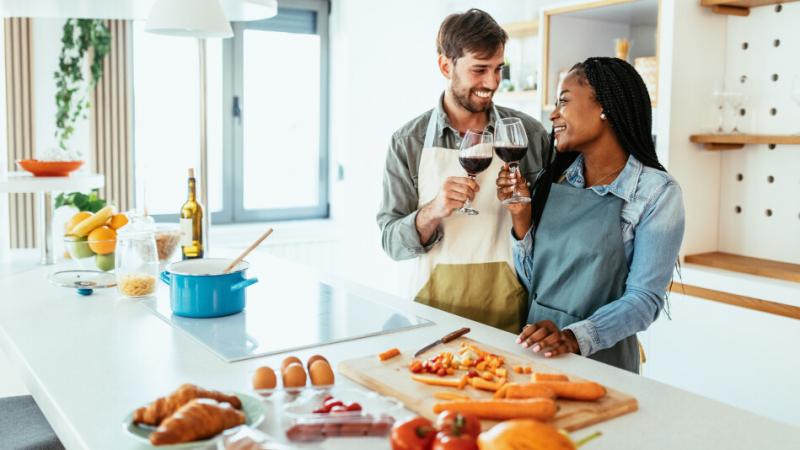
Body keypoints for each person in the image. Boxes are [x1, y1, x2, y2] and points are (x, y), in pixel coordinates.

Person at [497, 57, 685, 373]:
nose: (553, 114)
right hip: (534, 355)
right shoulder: (554, 180)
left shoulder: (656, 193)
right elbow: (534, 286)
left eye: (564, 102)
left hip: (603, 367)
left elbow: (644, 301)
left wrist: (573, 338)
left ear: (605, 107)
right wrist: (520, 216)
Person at [377, 9, 549, 333]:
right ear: (446, 65)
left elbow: (552, 237)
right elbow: (391, 242)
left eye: (499, 69)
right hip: (432, 318)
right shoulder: (408, 142)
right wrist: (432, 212)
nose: (493, 82)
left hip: (510, 318)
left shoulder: (529, 135)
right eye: (480, 69)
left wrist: (523, 211)